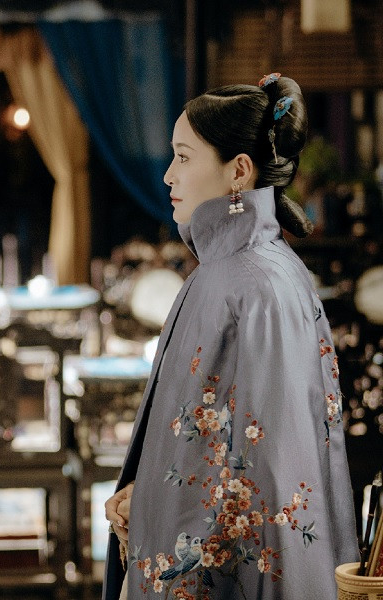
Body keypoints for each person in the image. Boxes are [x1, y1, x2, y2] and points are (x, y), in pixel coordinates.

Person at [102, 74, 359, 599]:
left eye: (184, 157)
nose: (169, 175)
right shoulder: (232, 270)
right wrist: (146, 496)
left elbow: (273, 479)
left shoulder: (255, 285)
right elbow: (212, 447)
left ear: (239, 171)